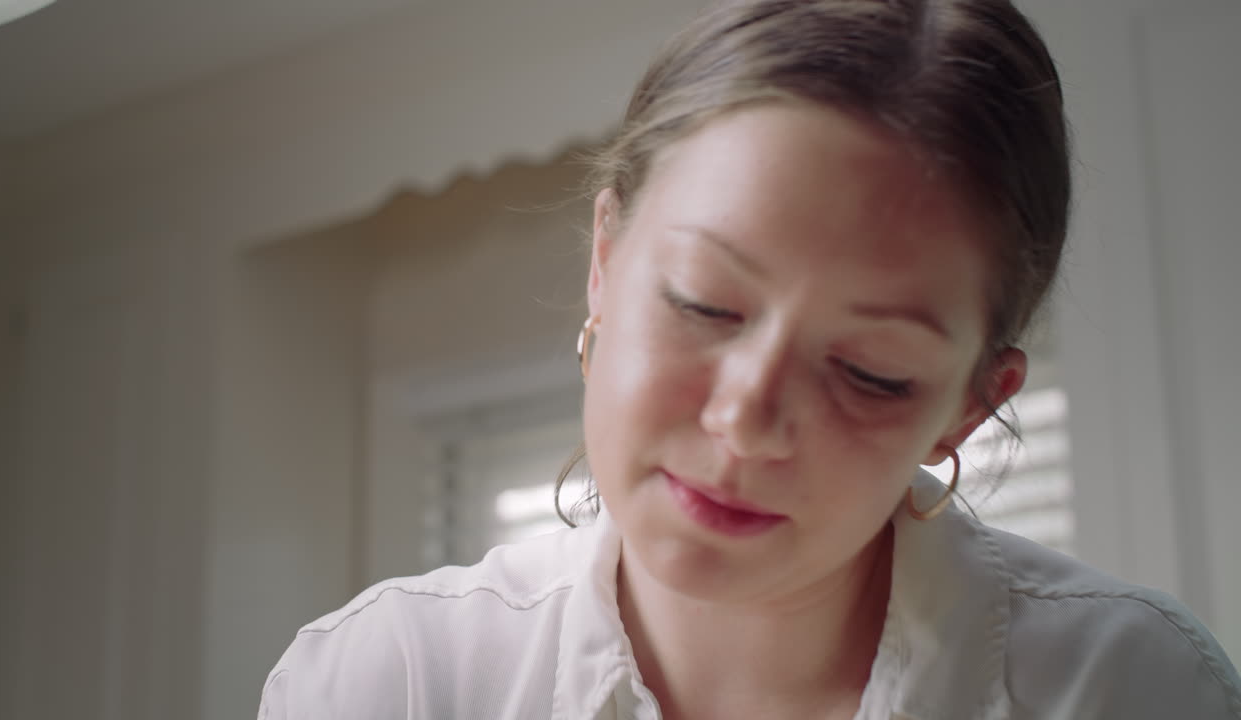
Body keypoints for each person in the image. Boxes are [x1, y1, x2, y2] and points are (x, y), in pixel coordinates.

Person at [258, 0, 1241, 718]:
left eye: (870, 372)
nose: (744, 419)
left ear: (967, 407)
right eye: (702, 302)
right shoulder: (390, 681)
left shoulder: (1132, 688)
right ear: (605, 262)